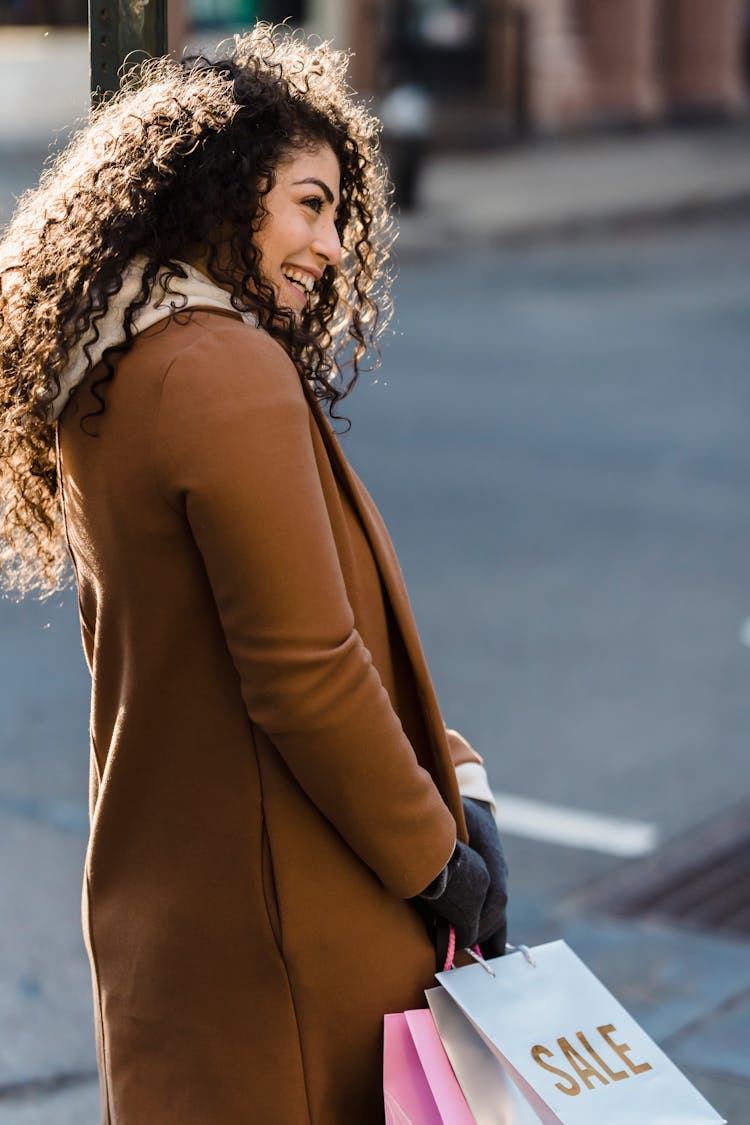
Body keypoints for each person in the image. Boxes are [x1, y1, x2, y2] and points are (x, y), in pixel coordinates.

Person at [0, 25, 507, 1124]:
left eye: (338, 212)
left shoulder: (115, 365)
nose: (331, 245)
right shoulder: (222, 367)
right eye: (309, 203)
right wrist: (440, 862)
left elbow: (190, 650)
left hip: (180, 911)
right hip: (290, 926)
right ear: (219, 194)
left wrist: (441, 759)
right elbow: (306, 671)